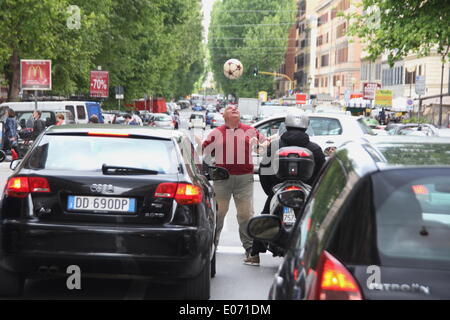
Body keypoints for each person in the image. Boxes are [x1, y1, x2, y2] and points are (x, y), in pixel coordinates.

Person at [202, 105, 269, 266]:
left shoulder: (249, 130)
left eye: (236, 108)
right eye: (230, 108)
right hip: (222, 178)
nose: (234, 108)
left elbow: (264, 142)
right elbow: (205, 149)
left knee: (246, 214)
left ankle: (250, 250)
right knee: (218, 214)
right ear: (223, 115)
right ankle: (212, 246)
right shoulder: (216, 132)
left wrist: (263, 145)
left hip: (244, 179)